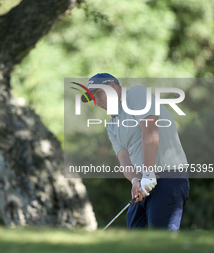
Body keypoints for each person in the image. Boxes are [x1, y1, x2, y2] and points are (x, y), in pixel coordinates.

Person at [81, 73, 190, 230]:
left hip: (168, 178)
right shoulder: (112, 125)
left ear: (112, 87)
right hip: (145, 185)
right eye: (93, 97)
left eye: (99, 93)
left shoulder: (136, 94)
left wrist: (147, 173)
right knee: (136, 240)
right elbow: (124, 160)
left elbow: (150, 130)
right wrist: (135, 180)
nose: (97, 101)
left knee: (161, 243)